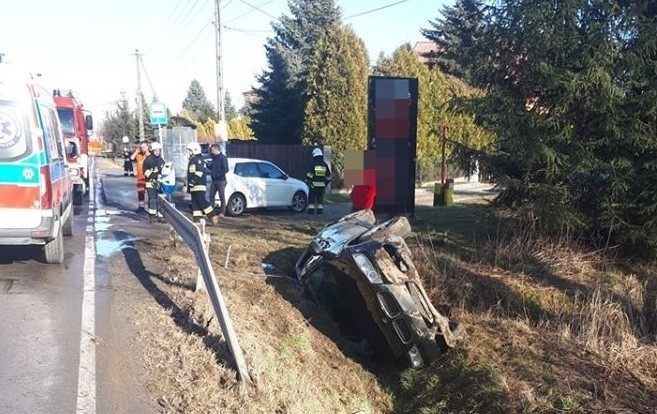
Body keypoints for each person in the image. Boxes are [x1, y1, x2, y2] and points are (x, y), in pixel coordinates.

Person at [186, 142, 218, 224]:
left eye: (190, 150)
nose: (189, 152)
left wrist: (193, 181)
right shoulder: (193, 160)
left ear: (195, 150)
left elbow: (199, 172)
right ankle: (197, 220)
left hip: (199, 185)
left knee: (201, 201)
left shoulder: (198, 159)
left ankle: (213, 216)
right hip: (193, 186)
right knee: (195, 204)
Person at [143, 142, 166, 222]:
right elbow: (145, 171)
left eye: (158, 150)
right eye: (155, 150)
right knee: (152, 199)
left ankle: (160, 215)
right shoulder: (148, 160)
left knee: (159, 199)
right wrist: (154, 175)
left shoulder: (161, 160)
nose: (157, 152)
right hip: (150, 183)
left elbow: (164, 170)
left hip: (159, 183)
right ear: (152, 151)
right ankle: (152, 216)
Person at [305, 147, 331, 214]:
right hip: (322, 186)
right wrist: (325, 183)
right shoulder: (324, 164)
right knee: (320, 199)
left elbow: (309, 175)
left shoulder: (313, 164)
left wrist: (308, 181)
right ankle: (320, 211)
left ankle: (311, 211)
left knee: (311, 198)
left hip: (313, 185)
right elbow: (329, 177)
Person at [208, 143, 228, 217]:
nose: (211, 152)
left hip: (221, 180)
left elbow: (226, 169)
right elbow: (212, 168)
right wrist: (207, 165)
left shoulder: (223, 158)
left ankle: (222, 212)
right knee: (211, 196)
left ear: (217, 149)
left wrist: (218, 174)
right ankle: (211, 213)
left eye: (212, 150)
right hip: (214, 181)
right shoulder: (214, 158)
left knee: (221, 196)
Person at [131, 142, 150, 213]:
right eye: (141, 147)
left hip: (147, 177)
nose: (142, 149)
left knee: (150, 192)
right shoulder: (139, 155)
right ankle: (141, 207)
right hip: (140, 177)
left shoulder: (150, 155)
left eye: (144, 147)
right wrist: (136, 152)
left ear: (147, 147)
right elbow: (132, 158)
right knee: (141, 192)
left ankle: (151, 208)